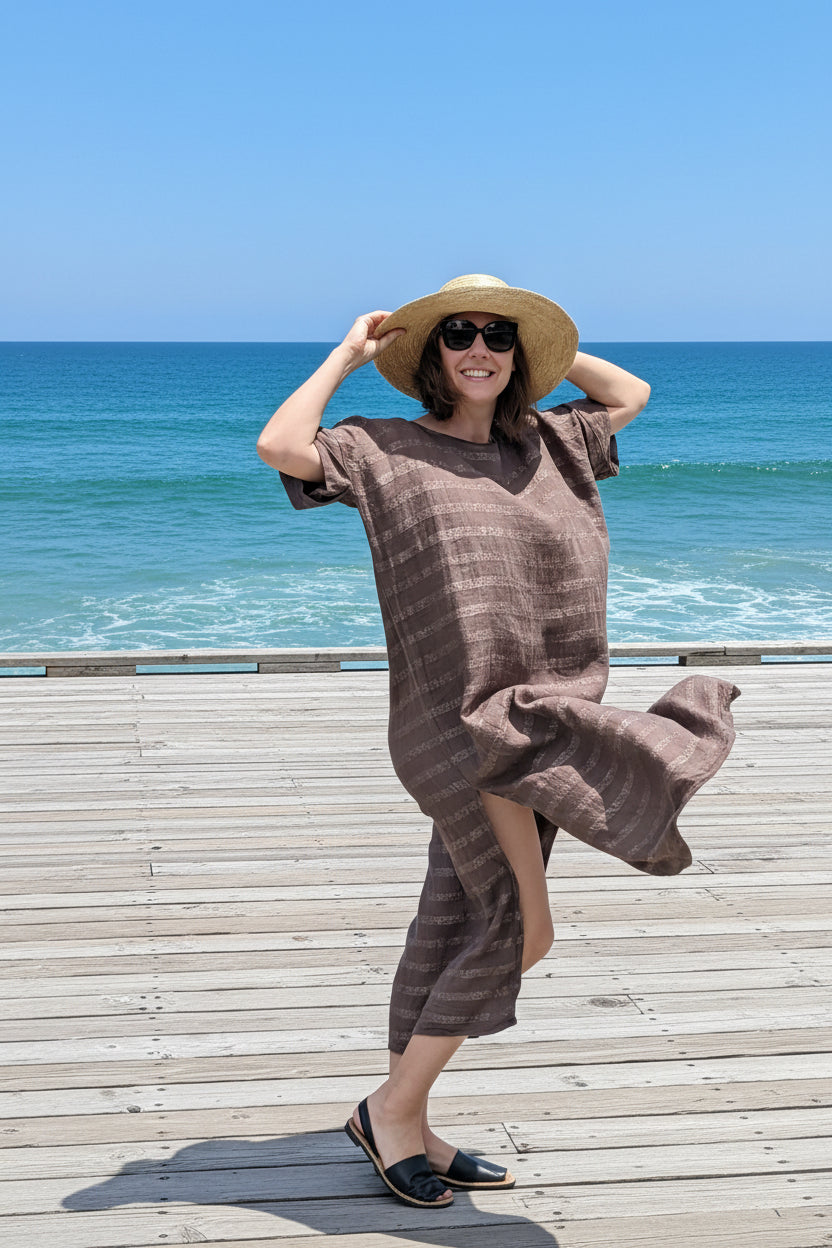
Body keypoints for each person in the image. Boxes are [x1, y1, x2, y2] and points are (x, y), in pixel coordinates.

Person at [256, 274, 741, 1210]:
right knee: (517, 927)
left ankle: (412, 1123)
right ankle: (391, 1109)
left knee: (453, 918)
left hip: (546, 720)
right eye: (459, 336)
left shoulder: (551, 441)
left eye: (499, 337)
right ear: (431, 357)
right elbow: (281, 445)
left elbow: (629, 394)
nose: (479, 350)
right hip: (461, 727)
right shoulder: (383, 449)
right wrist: (350, 355)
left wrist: (554, 350)